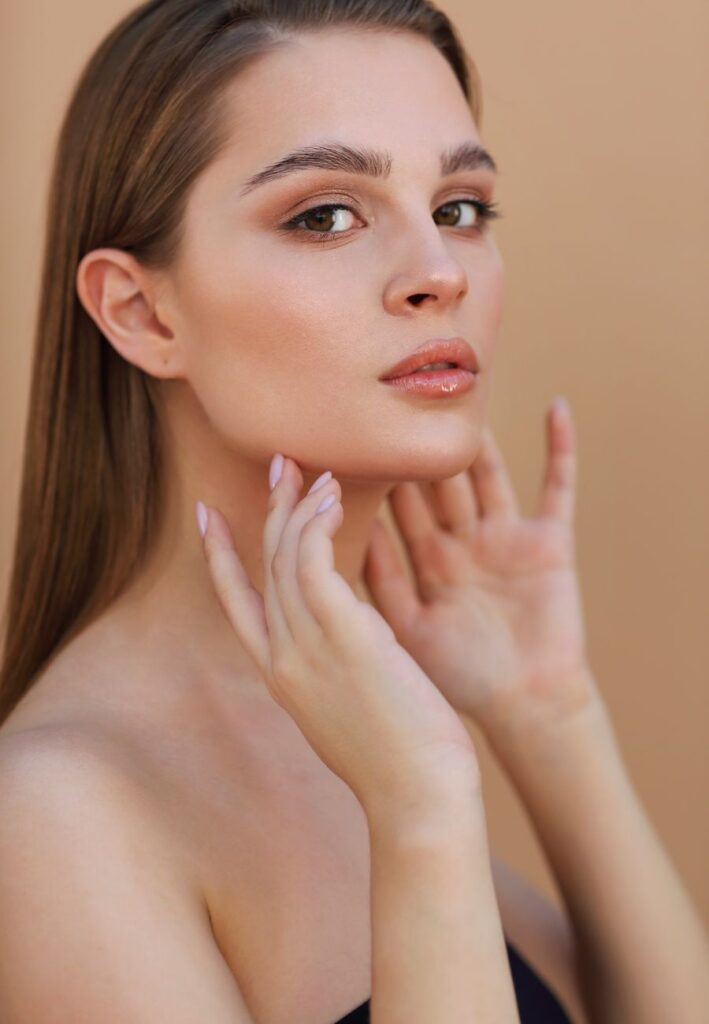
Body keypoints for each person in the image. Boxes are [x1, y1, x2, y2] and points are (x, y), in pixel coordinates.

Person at [1, 2, 706, 1022]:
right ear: (141, 312)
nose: (437, 272)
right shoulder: (53, 825)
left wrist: (547, 712)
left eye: (460, 206)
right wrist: (419, 809)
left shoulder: (349, 707)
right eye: (326, 215)